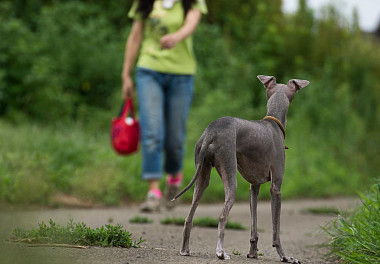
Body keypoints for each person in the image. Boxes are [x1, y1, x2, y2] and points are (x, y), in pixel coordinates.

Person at [122, 0, 207, 212]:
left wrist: (176, 37)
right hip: (149, 70)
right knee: (152, 131)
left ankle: (174, 178)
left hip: (182, 74)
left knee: (175, 137)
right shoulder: (145, 2)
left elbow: (192, 23)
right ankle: (153, 192)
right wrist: (126, 74)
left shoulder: (192, 2)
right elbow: (135, 37)